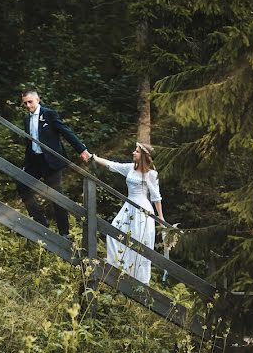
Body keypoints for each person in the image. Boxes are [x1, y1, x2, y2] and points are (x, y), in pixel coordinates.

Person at [18, 89, 91, 237]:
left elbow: (65, 131)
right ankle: (40, 221)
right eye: (25, 103)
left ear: (38, 99)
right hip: (35, 161)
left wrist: (82, 150)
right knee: (22, 185)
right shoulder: (27, 119)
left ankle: (65, 233)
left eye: (30, 102)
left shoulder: (49, 114)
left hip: (51, 161)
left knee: (56, 196)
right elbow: (29, 143)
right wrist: (26, 164)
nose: (28, 105)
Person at [88, 142, 164, 285]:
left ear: (144, 156)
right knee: (114, 232)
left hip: (143, 210)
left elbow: (156, 197)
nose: (133, 153)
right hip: (128, 207)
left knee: (139, 240)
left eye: (137, 151)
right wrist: (94, 158)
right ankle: (118, 268)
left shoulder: (151, 174)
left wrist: (160, 217)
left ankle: (138, 280)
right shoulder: (130, 168)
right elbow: (112, 165)